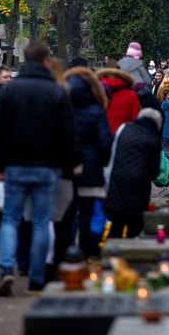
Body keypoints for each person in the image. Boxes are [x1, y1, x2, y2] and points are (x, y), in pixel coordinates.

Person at [0, 41, 82, 296]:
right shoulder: (56, 92)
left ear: (24, 59)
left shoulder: (9, 91)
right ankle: (37, 278)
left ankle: (6, 268)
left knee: (11, 217)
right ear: (45, 61)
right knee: (42, 222)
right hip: (47, 166)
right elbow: (68, 133)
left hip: (15, 164)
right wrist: (72, 162)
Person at [63, 67, 112, 258]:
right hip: (91, 168)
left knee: (67, 213)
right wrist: (102, 162)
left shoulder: (62, 110)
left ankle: (66, 253)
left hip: (66, 168)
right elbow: (105, 142)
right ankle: (87, 251)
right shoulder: (96, 110)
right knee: (88, 212)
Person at [105, 108, 162, 239]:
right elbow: (154, 171)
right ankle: (132, 248)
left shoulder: (123, 129)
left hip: (118, 182)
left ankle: (112, 249)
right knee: (134, 226)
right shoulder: (153, 138)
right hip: (139, 187)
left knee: (116, 223)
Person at [97, 68, 141, 134]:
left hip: (99, 134)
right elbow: (135, 119)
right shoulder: (131, 94)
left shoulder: (95, 91)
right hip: (123, 135)